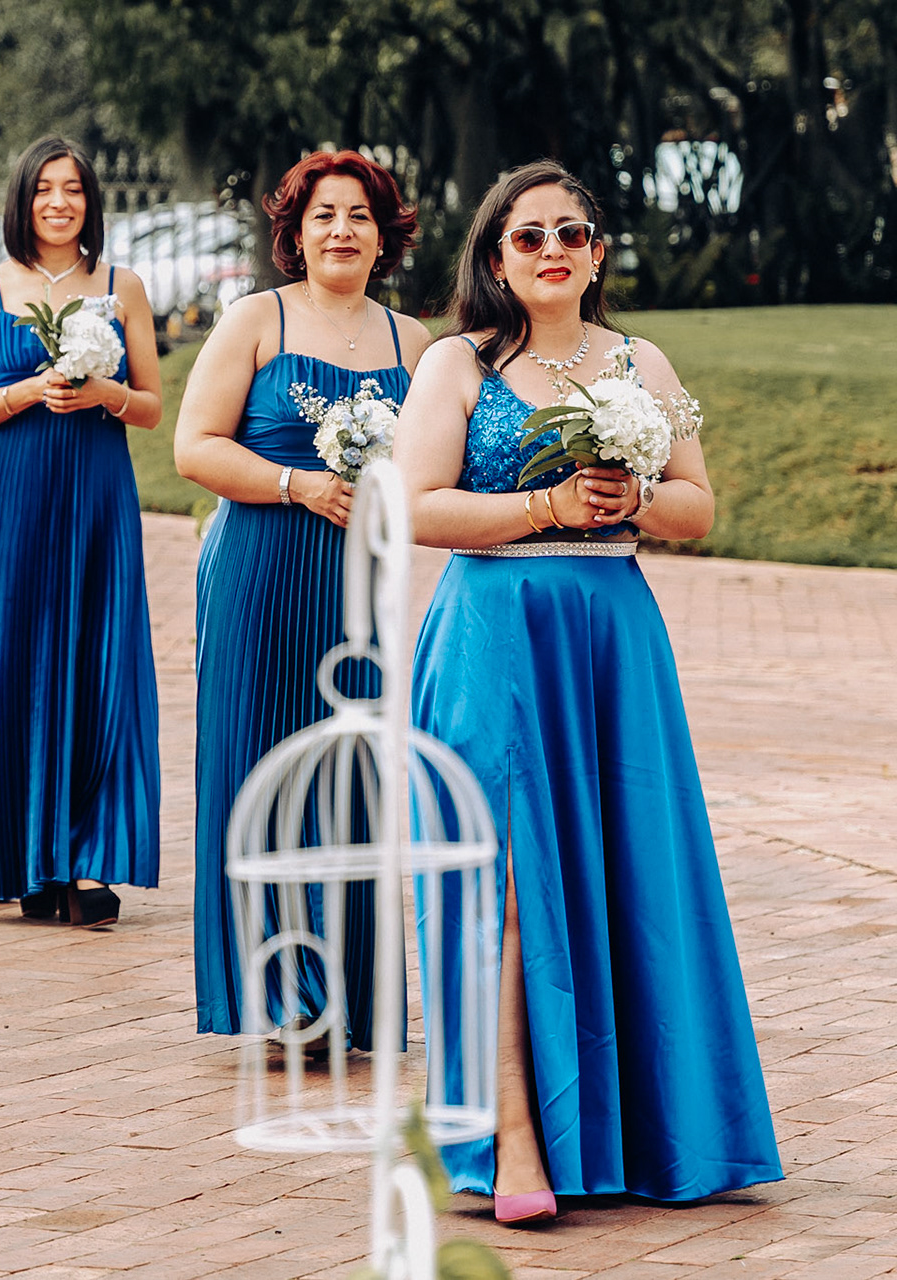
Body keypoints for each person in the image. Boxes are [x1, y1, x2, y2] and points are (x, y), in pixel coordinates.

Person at [398, 160, 781, 1222]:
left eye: (571, 232)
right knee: (507, 876)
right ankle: (514, 1134)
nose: (552, 250)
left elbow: (698, 507)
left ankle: (652, 1131)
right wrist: (546, 506)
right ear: (497, 256)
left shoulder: (638, 361)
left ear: (599, 252)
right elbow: (417, 506)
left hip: (612, 637)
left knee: (628, 861)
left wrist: (631, 496)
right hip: (494, 634)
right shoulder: (457, 363)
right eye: (529, 236)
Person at [175, 150, 429, 1039]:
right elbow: (194, 447)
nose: (341, 231)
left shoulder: (416, 344)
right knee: (258, 763)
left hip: (361, 580)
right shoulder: (258, 319)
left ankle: (347, 995)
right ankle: (273, 996)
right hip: (260, 569)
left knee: (351, 770)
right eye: (324, 214)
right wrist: (296, 485)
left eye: (360, 215)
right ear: (295, 231)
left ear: (384, 235)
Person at [0, 135, 164, 928]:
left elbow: (152, 407)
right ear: (23, 201)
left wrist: (103, 392)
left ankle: (90, 856)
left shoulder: (122, 287)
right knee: (16, 655)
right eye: (44, 189)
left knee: (99, 658)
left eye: (72, 189)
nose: (59, 202)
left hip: (98, 492)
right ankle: (24, 858)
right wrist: (32, 390)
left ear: (90, 201)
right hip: (15, 493)